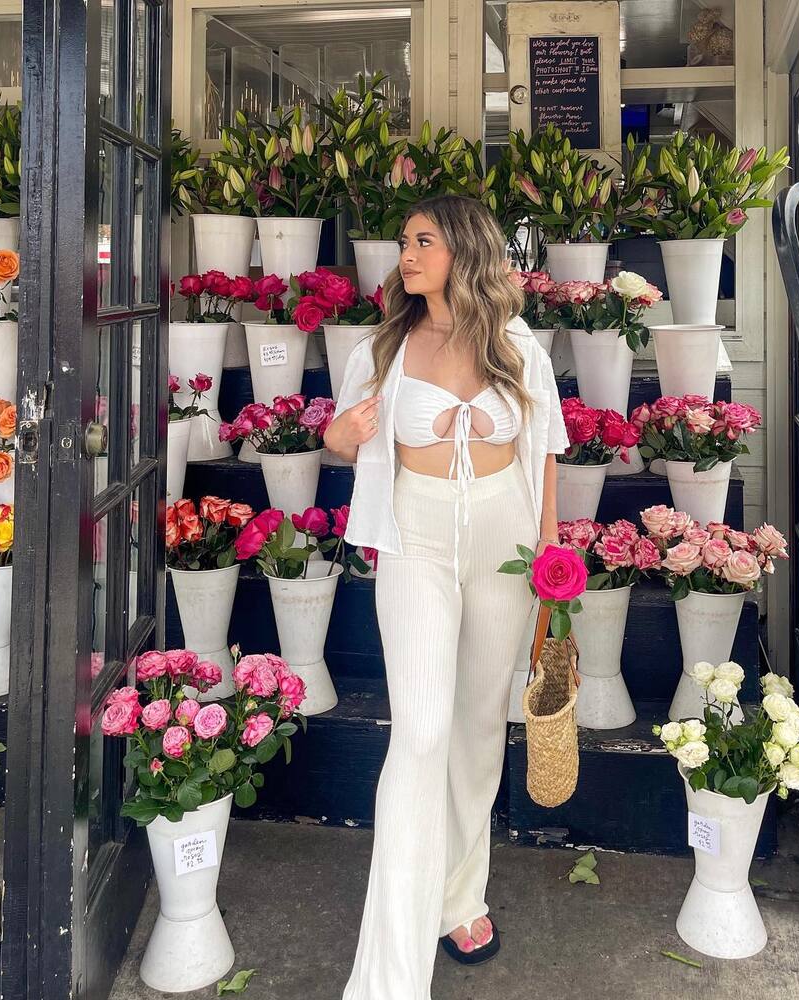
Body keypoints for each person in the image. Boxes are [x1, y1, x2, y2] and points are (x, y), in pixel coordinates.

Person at [325, 194, 569, 1000]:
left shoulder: (516, 343)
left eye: (422, 240)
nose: (406, 254)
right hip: (417, 542)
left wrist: (550, 557)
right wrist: (345, 436)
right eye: (404, 241)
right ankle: (389, 975)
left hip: (503, 541)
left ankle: (459, 897)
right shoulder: (385, 346)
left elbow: (543, 454)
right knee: (421, 733)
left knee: (472, 729)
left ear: (464, 249)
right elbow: (336, 434)